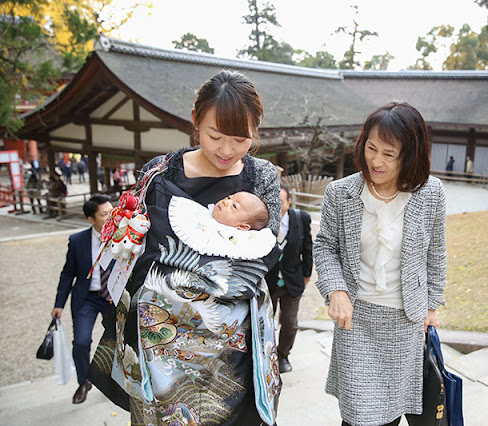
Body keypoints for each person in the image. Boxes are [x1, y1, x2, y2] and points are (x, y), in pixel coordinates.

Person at [89, 70, 282, 426]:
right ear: (195, 122)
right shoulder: (160, 173)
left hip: (233, 337)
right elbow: (142, 248)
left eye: (240, 139)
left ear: (255, 131)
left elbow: (266, 250)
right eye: (215, 136)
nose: (226, 150)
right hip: (161, 336)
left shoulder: (262, 177)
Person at [314, 101, 447, 426]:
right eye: (371, 148)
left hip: (405, 323)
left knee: (397, 412)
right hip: (356, 321)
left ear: (411, 154)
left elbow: (436, 253)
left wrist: (432, 305)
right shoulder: (340, 193)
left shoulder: (431, 193)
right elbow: (325, 246)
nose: (376, 160)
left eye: (389, 154)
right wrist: (336, 290)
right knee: (361, 416)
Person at [51, 194, 115, 404]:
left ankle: (116, 382)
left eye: (111, 210)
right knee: (81, 341)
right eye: (104, 214)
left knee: (118, 342)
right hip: (86, 298)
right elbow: (67, 274)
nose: (111, 215)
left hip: (112, 298)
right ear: (91, 219)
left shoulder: (123, 235)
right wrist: (58, 304)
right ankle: (84, 381)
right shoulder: (77, 241)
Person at [265, 183, 313, 373]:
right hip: (268, 281)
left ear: (289, 202)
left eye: (281, 201)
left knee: (290, 323)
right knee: (267, 323)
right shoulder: (263, 218)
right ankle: (267, 356)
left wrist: (307, 275)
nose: (278, 204)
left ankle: (283, 355)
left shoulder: (301, 219)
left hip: (292, 280)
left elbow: (308, 249)